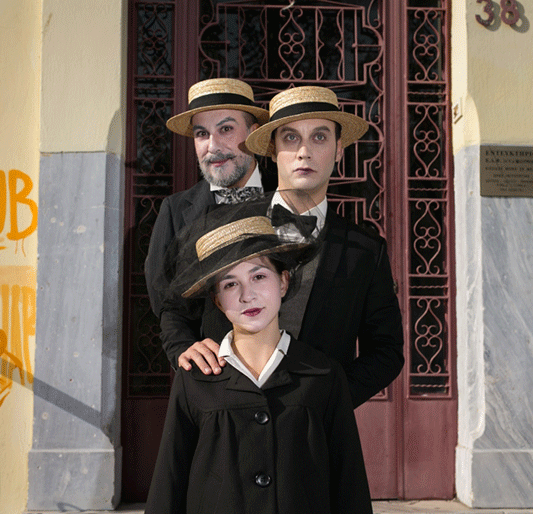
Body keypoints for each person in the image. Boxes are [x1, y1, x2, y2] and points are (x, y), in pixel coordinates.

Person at [171, 85, 405, 407]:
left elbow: (386, 351)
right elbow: (174, 308)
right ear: (272, 149)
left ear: (339, 150)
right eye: (291, 138)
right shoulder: (217, 225)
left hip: (317, 431)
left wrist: (332, 399)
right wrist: (183, 347)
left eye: (319, 137)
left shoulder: (366, 250)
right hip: (223, 418)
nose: (304, 152)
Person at [145, 202, 373, 514]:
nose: (246, 295)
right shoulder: (195, 379)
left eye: (259, 276)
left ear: (284, 281)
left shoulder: (323, 375)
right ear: (217, 300)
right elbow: (169, 482)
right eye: (230, 284)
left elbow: (350, 486)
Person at [144, 77, 271, 373]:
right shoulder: (175, 211)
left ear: (253, 133)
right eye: (202, 134)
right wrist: (183, 347)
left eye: (226, 129)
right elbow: (166, 303)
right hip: (212, 381)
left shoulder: (289, 199)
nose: (212, 146)